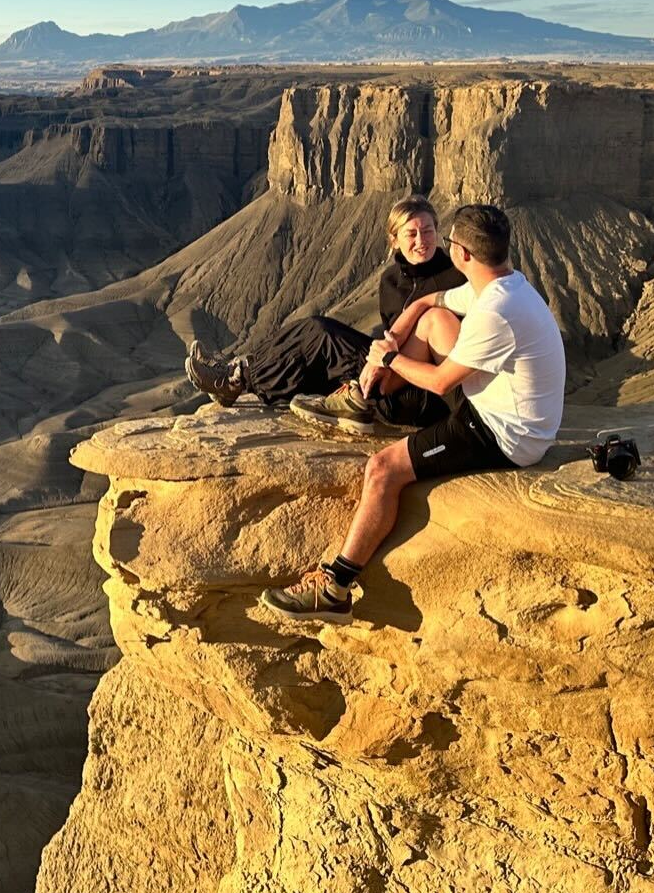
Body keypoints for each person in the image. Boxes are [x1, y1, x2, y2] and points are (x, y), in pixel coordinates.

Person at [260, 203, 566, 621]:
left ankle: (336, 587)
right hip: (504, 409)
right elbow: (431, 300)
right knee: (435, 319)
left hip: (504, 435)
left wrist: (387, 358)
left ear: (461, 255)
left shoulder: (498, 313)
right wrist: (401, 329)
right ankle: (362, 399)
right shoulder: (502, 285)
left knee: (383, 469)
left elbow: (441, 382)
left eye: (446, 241)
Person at [184, 195, 463, 409]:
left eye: (428, 231)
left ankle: (236, 380)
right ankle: (239, 371)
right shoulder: (391, 280)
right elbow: (389, 333)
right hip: (385, 366)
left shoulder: (453, 277)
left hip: (417, 386)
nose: (422, 241)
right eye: (411, 234)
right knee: (311, 328)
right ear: (394, 240)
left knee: (322, 337)